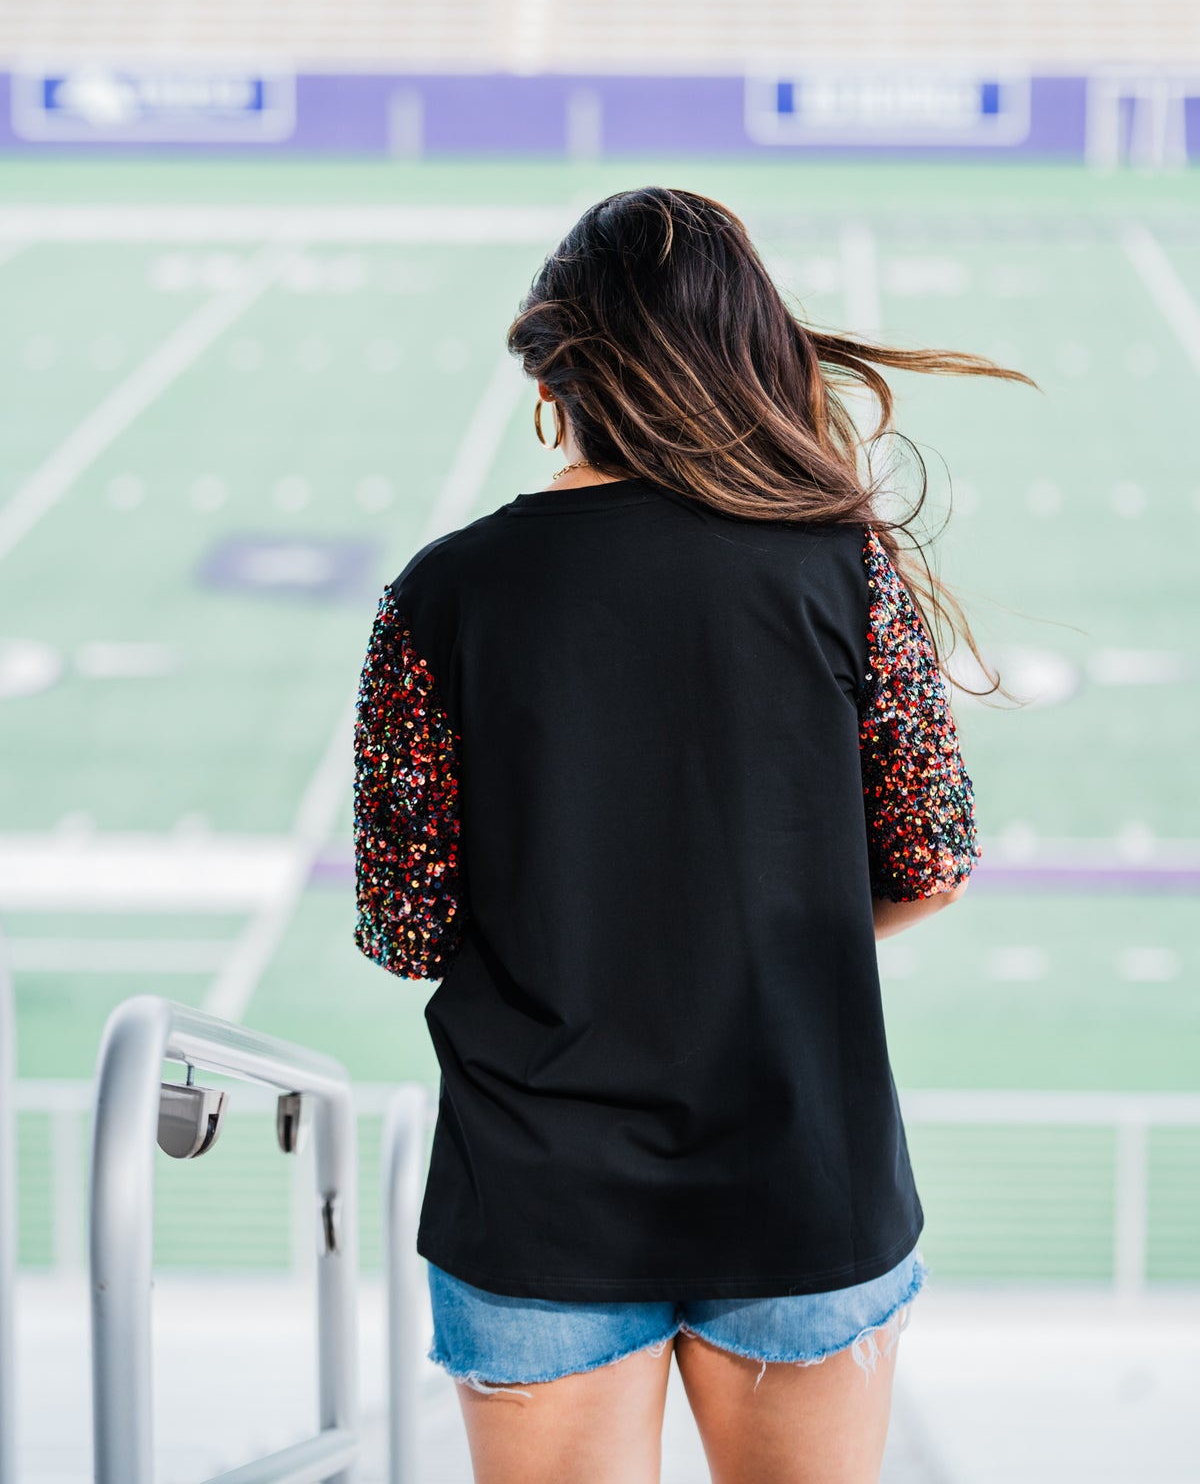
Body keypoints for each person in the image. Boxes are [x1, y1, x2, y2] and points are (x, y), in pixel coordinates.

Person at [352, 187, 1028, 1484]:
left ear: (554, 377)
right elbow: (930, 860)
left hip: (535, 1193)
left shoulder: (444, 594)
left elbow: (405, 925)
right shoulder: (840, 564)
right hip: (801, 1171)